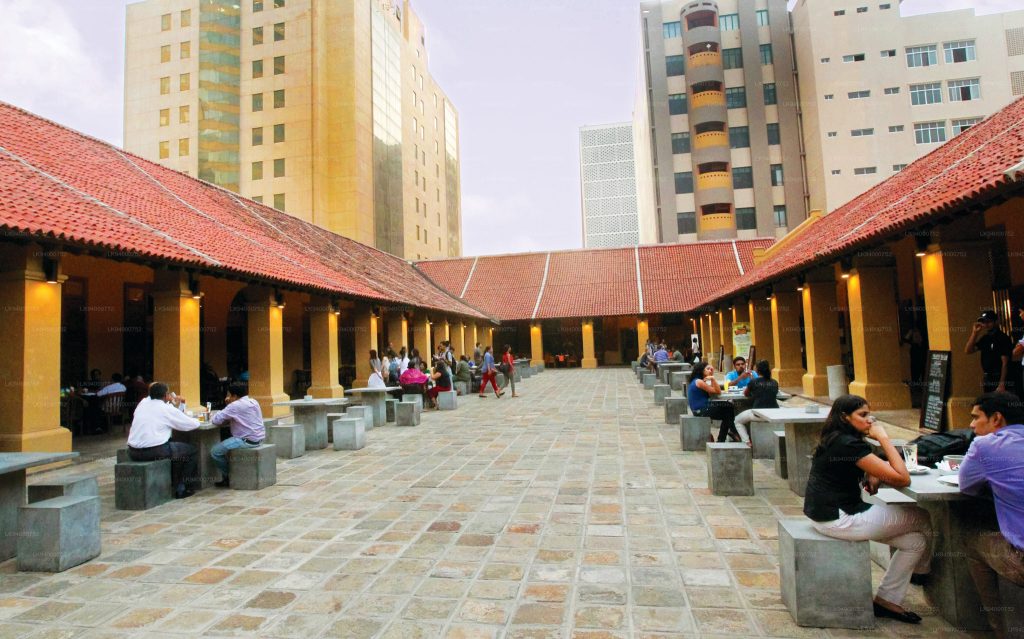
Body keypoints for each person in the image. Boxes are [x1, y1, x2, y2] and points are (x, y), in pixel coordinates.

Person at [803, 394, 931, 624]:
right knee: (922, 516)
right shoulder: (847, 443)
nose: (869, 420)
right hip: (839, 518)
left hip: (821, 514)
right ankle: (925, 576)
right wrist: (884, 438)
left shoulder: (836, 437)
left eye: (869, 414)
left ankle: (887, 599)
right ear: (845, 417)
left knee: (915, 542)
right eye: (862, 415)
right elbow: (902, 478)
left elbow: (867, 461)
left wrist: (873, 472)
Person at [960, 392, 1024, 639]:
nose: (971, 425)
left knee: (971, 540)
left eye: (976, 418)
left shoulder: (985, 446)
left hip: (1019, 561)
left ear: (997, 418)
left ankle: (1000, 631)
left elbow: (967, 486)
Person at [126, 382, 201, 499]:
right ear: (166, 395)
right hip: (154, 451)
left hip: (132, 452)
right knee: (191, 451)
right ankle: (182, 487)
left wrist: (179, 404)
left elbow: (175, 416)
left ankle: (172, 482)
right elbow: (192, 424)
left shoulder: (142, 403)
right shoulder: (165, 408)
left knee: (175, 449)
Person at [209, 382, 265, 488]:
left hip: (245, 440)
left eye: (229, 395)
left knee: (215, 452)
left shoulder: (234, 405)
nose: (227, 397)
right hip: (258, 438)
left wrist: (229, 405)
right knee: (225, 442)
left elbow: (216, 420)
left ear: (234, 396)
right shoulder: (253, 401)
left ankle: (230, 476)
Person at [687, 362, 740, 442]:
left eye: (711, 369)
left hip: (701, 408)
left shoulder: (698, 381)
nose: (710, 370)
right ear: (701, 371)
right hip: (700, 410)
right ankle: (731, 433)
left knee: (728, 411)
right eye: (707, 369)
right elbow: (718, 391)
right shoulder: (699, 382)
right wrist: (713, 378)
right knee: (728, 408)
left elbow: (712, 392)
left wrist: (711, 378)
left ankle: (725, 437)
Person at [966, 310, 1013, 393]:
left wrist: (1002, 384)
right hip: (987, 377)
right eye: (983, 322)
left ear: (996, 322)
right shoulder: (985, 338)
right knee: (987, 404)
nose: (986, 324)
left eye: (989, 321)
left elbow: (1005, 362)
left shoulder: (1002, 338)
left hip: (998, 377)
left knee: (998, 404)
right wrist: (974, 333)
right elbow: (968, 350)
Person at [733, 360, 778, 445]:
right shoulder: (774, 382)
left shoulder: (754, 382)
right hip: (774, 412)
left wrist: (751, 383)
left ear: (757, 370)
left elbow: (746, 394)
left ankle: (747, 442)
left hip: (758, 414)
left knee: (737, 421)